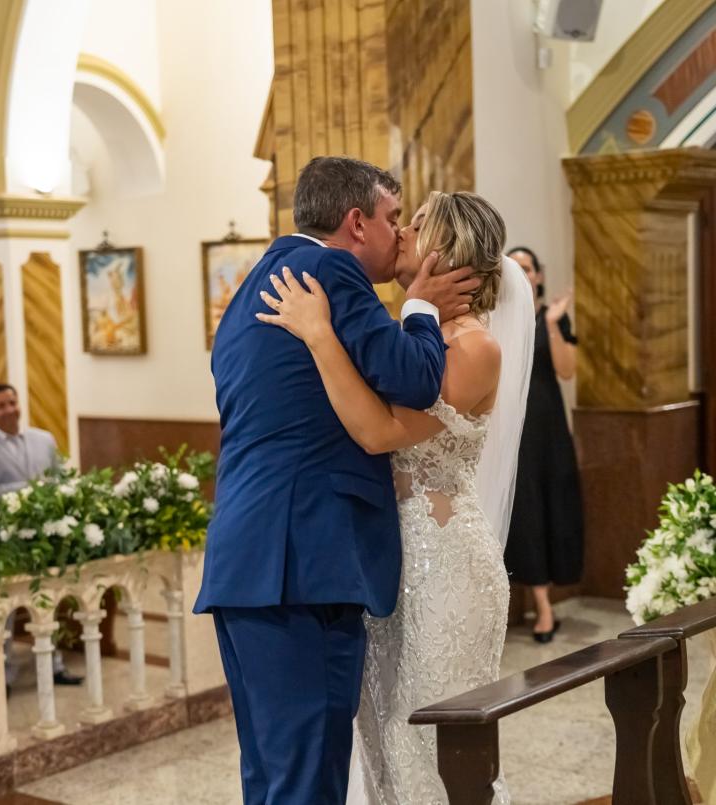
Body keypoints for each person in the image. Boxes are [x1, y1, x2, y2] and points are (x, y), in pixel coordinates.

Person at [193, 157, 482, 803]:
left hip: (249, 559)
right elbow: (414, 379)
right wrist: (418, 308)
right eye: (392, 217)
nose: (399, 232)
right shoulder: (329, 271)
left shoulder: (254, 284)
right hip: (303, 564)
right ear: (357, 222)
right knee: (308, 779)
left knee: (272, 774)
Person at [259, 190, 534, 804]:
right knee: (384, 745)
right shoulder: (411, 333)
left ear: (448, 252)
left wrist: (318, 333)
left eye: (417, 225)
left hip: (445, 567)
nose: (402, 232)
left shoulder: (475, 347)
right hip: (385, 562)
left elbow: (380, 432)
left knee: (432, 751)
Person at [0, 384, 83, 687]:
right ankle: (2, 673)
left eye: (12, 403)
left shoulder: (43, 439)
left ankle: (54, 665)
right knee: (5, 607)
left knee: (48, 599)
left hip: (44, 535)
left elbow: (59, 479)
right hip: (3, 538)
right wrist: (28, 489)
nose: (9, 410)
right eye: (1, 405)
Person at [504, 246, 584, 643]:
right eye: (514, 266)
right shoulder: (497, 317)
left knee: (552, 506)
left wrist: (551, 323)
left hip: (548, 428)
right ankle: (542, 607)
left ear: (538, 275)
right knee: (525, 512)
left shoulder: (552, 317)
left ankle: (548, 599)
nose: (522, 272)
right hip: (511, 429)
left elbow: (567, 371)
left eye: (528, 267)